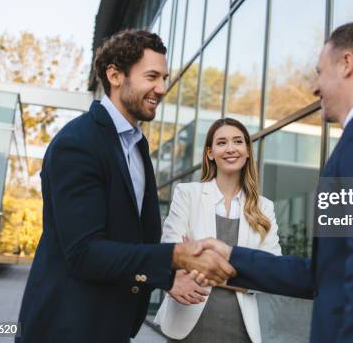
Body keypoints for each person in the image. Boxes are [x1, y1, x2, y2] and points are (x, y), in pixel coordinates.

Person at [194, 22, 353, 342]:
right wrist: (232, 256)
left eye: (319, 72)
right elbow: (325, 275)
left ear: (346, 64)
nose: (314, 87)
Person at [16, 30, 235, 342]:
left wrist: (167, 275)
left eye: (164, 77)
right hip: (67, 327)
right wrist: (174, 258)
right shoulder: (77, 143)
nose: (161, 88)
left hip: (112, 326)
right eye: (152, 77)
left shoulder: (136, 145)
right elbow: (85, 253)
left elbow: (129, 241)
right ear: (115, 75)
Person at [155, 118, 281, 342]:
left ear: (247, 151)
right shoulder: (187, 194)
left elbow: (272, 271)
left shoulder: (264, 208)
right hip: (187, 325)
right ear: (210, 153)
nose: (231, 149)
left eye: (238, 142)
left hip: (240, 329)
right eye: (222, 143)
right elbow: (171, 253)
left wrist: (199, 262)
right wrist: (245, 268)